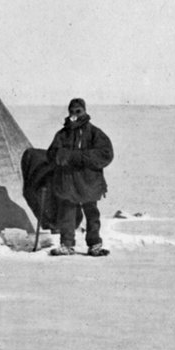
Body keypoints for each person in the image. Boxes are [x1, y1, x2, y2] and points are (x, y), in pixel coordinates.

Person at [46, 98, 114, 256]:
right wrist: (60, 155)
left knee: (91, 213)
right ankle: (67, 244)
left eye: (78, 111)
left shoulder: (95, 133)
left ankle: (94, 244)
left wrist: (77, 156)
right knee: (67, 213)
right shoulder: (62, 135)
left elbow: (106, 154)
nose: (75, 115)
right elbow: (51, 154)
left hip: (89, 181)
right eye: (72, 112)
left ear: (84, 111)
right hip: (68, 181)